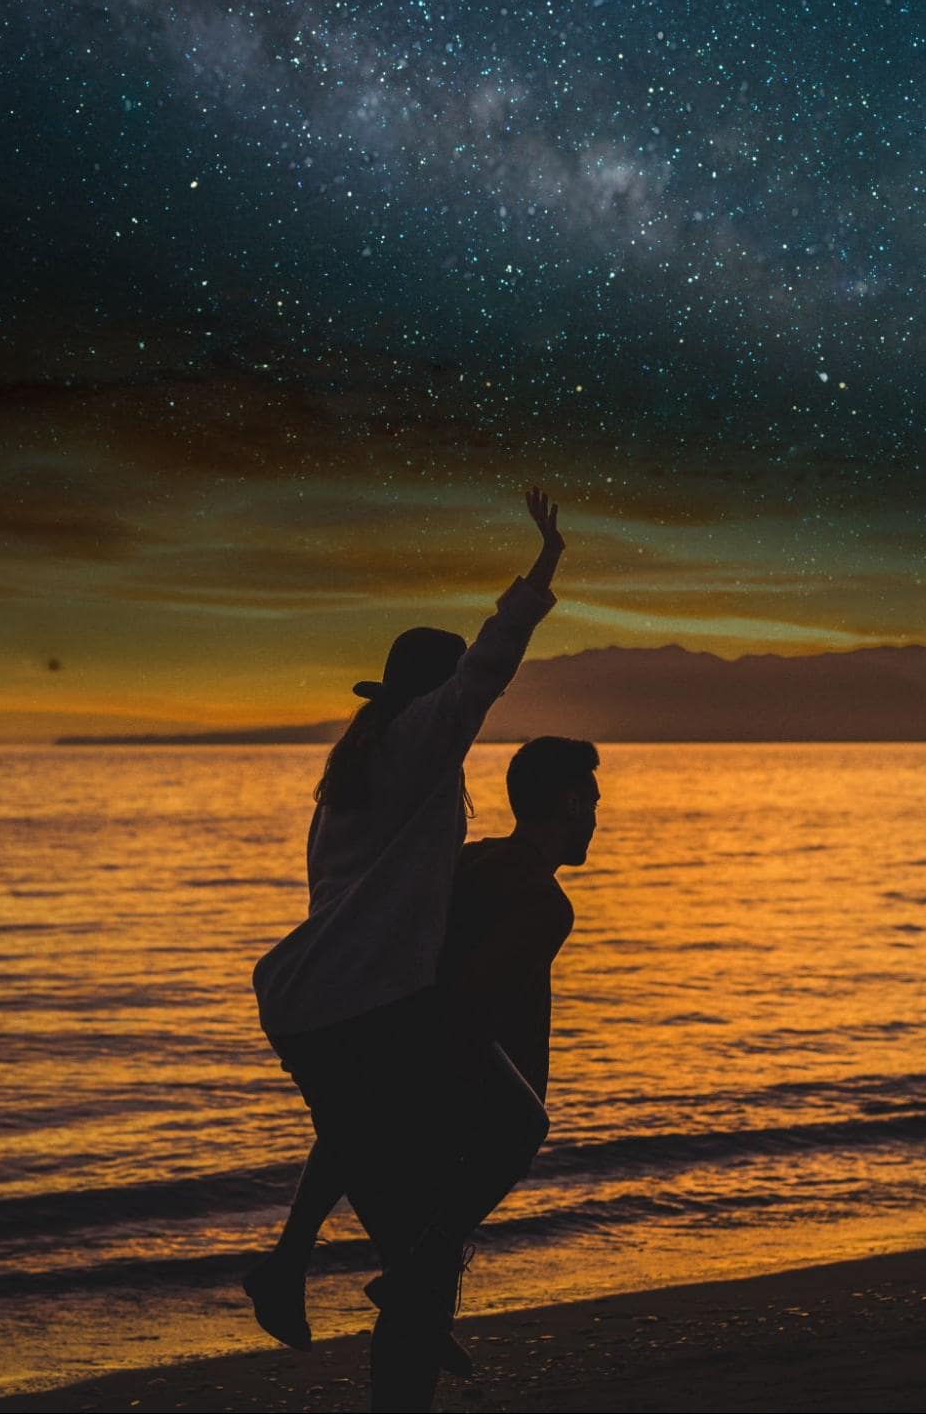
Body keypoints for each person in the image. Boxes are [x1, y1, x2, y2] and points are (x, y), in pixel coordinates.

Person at [251, 489, 566, 1411]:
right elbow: (488, 671)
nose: (461, 707)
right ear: (429, 700)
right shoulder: (420, 747)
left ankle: (298, 1270)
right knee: (516, 1126)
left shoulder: (345, 781)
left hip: (303, 1006)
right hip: (371, 999)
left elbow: (366, 892)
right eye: (449, 693)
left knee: (358, 1136)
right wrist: (543, 567)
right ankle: (411, 1284)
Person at [246, 735, 602, 1369]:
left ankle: (302, 1261)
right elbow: (469, 1006)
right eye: (592, 803)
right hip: (444, 1110)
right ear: (571, 802)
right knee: (429, 1269)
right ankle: (405, 1282)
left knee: (355, 1121)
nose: (597, 820)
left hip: (394, 1075)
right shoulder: (543, 903)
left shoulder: (469, 861)